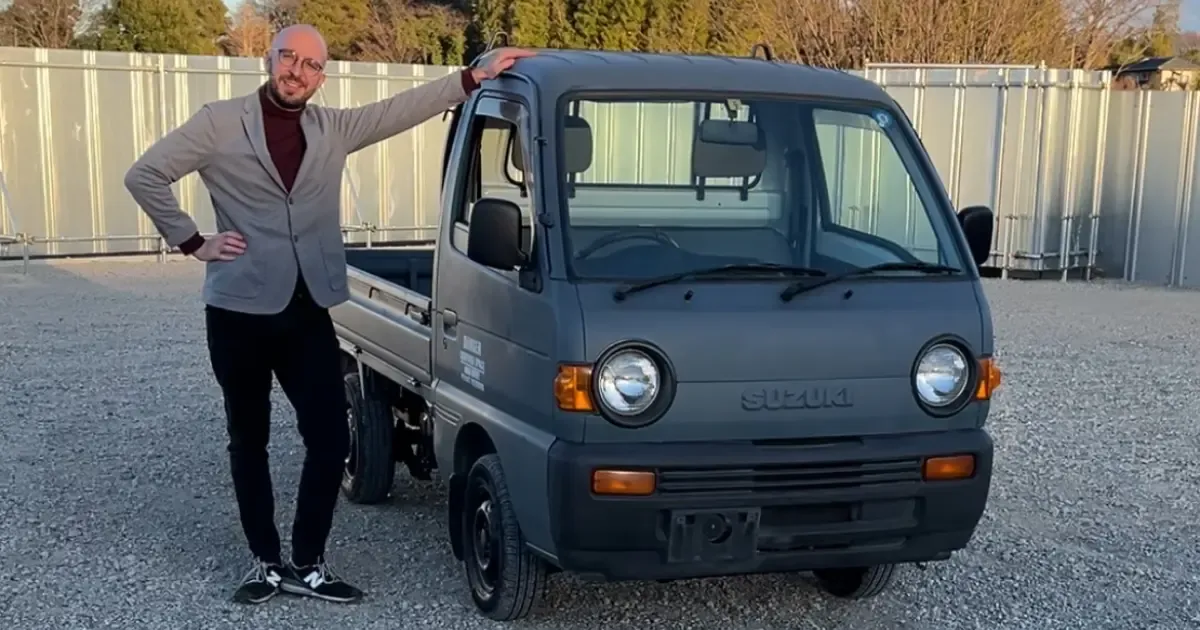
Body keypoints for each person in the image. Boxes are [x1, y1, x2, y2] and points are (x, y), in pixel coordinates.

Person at [123, 24, 535, 605]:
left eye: (311, 65)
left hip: (307, 308)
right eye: (289, 58)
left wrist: (471, 79)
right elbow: (145, 174)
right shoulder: (219, 122)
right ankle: (265, 562)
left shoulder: (331, 128)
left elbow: (399, 109)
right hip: (238, 311)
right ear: (271, 59)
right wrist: (193, 242)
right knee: (249, 440)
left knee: (327, 437)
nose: (298, 71)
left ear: (322, 76)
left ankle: (309, 561)